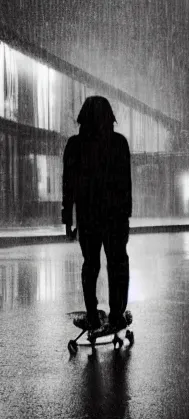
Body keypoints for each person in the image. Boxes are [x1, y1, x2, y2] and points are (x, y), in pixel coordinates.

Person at [62, 96, 132, 333]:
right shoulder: (119, 144)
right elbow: (125, 185)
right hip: (114, 218)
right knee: (118, 263)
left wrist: (67, 219)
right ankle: (116, 315)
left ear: (83, 118)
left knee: (90, 265)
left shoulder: (74, 146)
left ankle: (92, 315)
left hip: (88, 217)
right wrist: (125, 215)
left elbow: (68, 187)